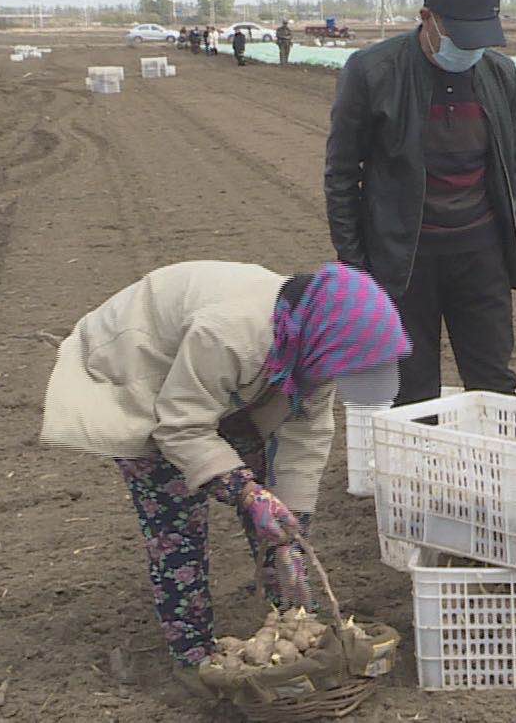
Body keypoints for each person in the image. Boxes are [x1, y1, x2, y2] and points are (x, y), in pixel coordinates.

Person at [38, 260, 409, 692]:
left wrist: (292, 527)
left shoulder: (315, 347)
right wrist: (246, 492)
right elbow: (179, 427)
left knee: (276, 517)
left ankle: (293, 619)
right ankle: (192, 656)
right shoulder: (230, 333)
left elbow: (305, 438)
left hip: (220, 387)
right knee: (176, 519)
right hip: (138, 374)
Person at [324, 0, 516, 404]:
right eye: (459, 37)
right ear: (426, 18)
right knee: (412, 390)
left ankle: (490, 468)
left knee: (494, 381)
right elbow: (341, 175)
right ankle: (419, 471)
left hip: (480, 255)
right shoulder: (373, 72)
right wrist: (358, 267)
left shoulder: (499, 72)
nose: (469, 49)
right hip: (404, 260)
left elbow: (510, 163)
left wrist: (508, 230)